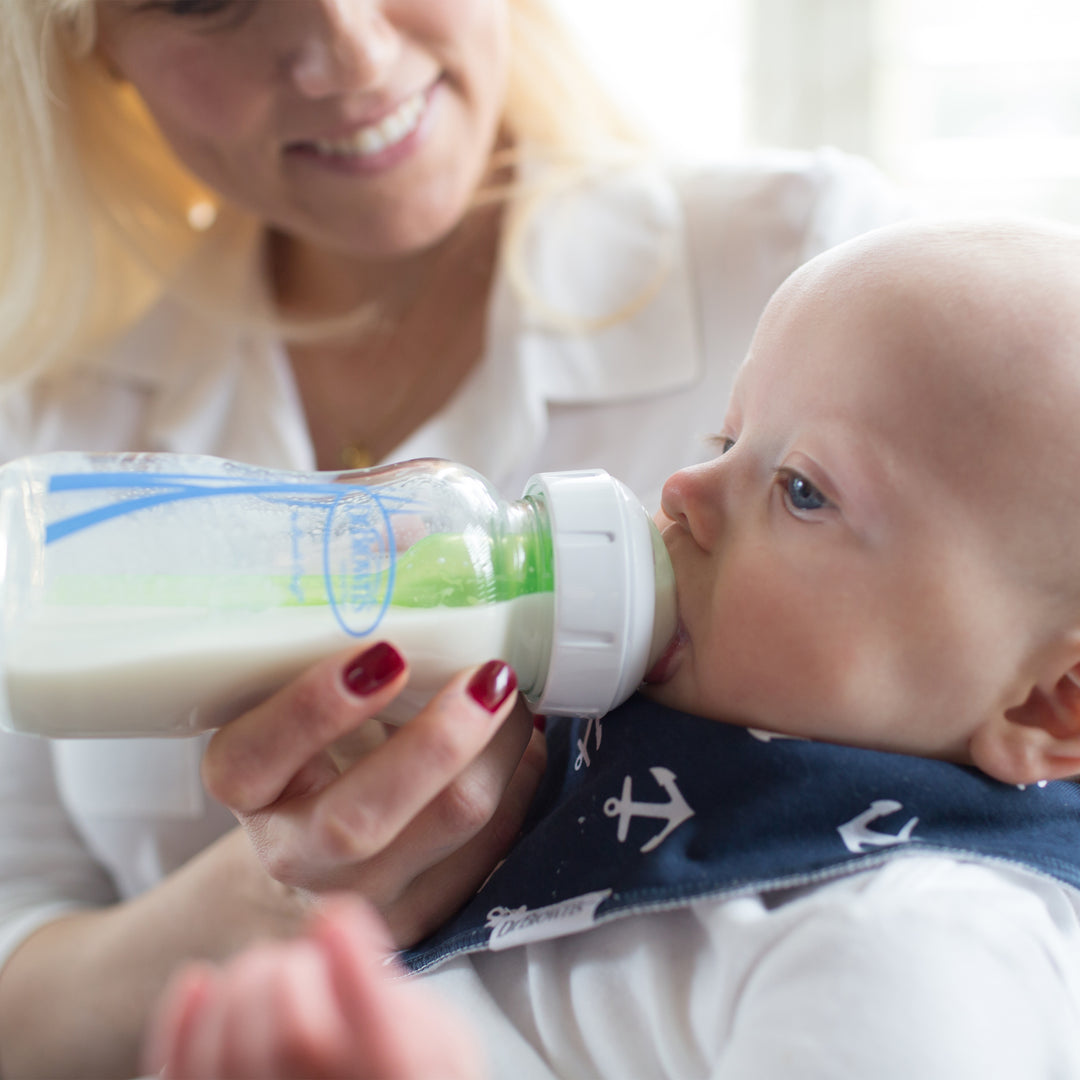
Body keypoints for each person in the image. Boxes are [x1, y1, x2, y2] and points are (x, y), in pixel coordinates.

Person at [0, 1, 909, 1076]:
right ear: (84, 42)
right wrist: (268, 906)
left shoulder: (810, 268)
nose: (350, 54)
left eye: (795, 490)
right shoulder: (60, 400)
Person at [144, 218, 1080, 1080]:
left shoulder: (911, 948)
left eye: (802, 490)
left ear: (1048, 705)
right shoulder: (618, 752)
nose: (682, 488)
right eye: (726, 434)